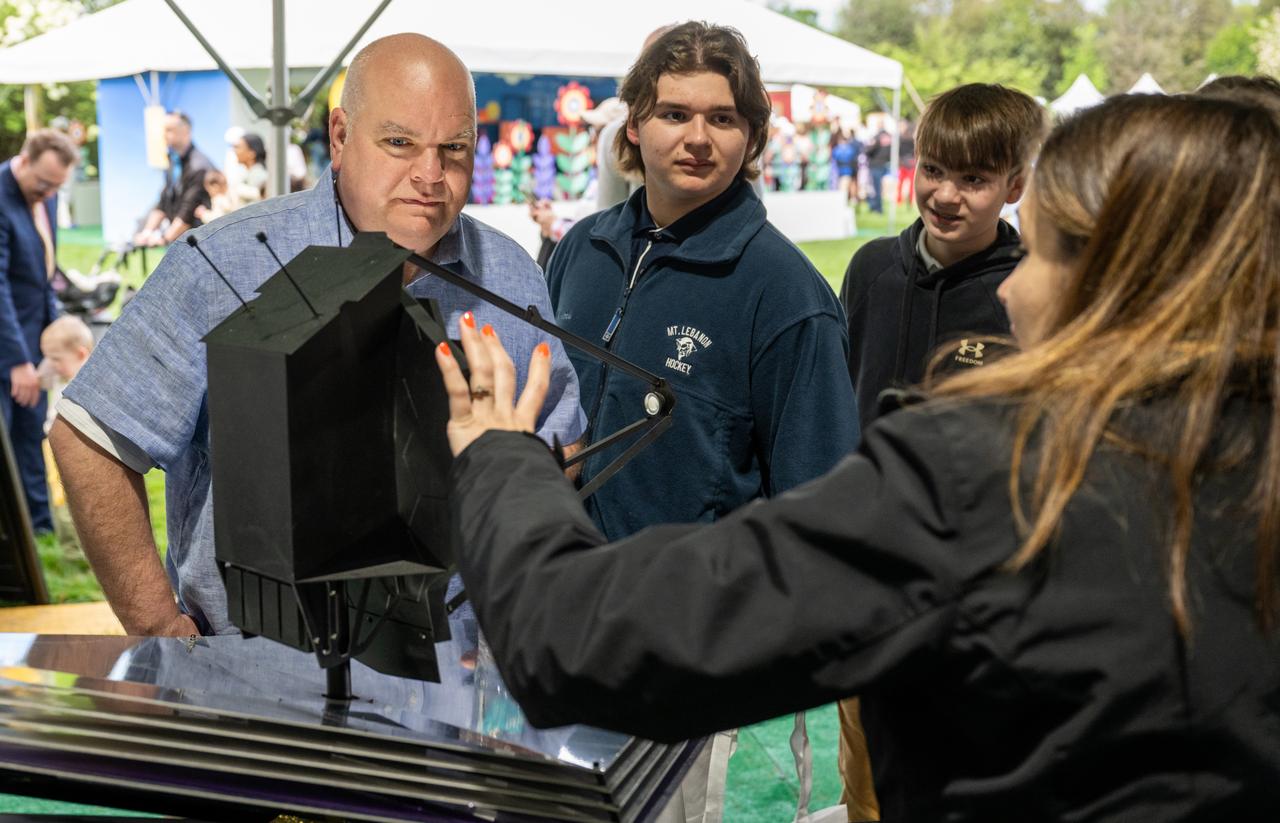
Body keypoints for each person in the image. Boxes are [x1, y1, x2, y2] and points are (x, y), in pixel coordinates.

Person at [434, 92, 1280, 822]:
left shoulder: (991, 477)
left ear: (1130, 278)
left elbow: (574, 638)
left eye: (1047, 251)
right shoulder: (1246, 461)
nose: (1015, 289)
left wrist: (505, 456)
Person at [49, 33, 586, 639]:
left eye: (453, 149)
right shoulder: (225, 263)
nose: (430, 175)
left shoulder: (510, 273)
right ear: (339, 137)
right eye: (399, 143)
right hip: (262, 680)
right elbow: (88, 436)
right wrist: (155, 626)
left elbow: (561, 450)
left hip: (464, 670)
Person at [546, 21, 858, 540]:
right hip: (553, 590)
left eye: (721, 118)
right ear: (634, 125)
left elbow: (821, 514)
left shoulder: (786, 292)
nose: (697, 138)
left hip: (689, 610)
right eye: (674, 114)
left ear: (751, 136)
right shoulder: (582, 249)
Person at [839, 83, 1047, 435]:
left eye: (973, 179)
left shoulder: (1027, 289)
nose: (947, 196)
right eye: (933, 170)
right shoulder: (870, 268)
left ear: (1015, 186)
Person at [0, 129, 77, 534]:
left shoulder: (43, 198)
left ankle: (39, 527)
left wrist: (55, 335)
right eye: (44, 184)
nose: (48, 194)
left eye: (56, 187)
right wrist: (15, 362)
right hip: (7, 348)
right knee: (8, 442)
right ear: (24, 160)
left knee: (31, 435)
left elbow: (44, 276)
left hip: (32, 341)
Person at [132, 111, 214, 247]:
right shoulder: (173, 159)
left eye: (169, 130)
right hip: (180, 239)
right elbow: (165, 199)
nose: (163, 134)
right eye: (163, 130)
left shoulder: (199, 166)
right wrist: (147, 232)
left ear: (186, 132)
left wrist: (164, 238)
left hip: (199, 241)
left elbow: (188, 211)